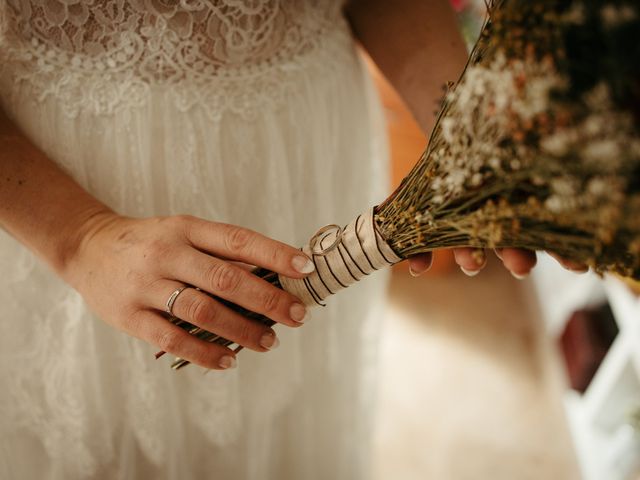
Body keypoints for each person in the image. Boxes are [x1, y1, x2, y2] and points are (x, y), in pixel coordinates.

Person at [0, 1, 580, 478]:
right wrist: (81, 237)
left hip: (303, 153)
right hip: (62, 186)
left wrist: (464, 128)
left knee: (280, 418)